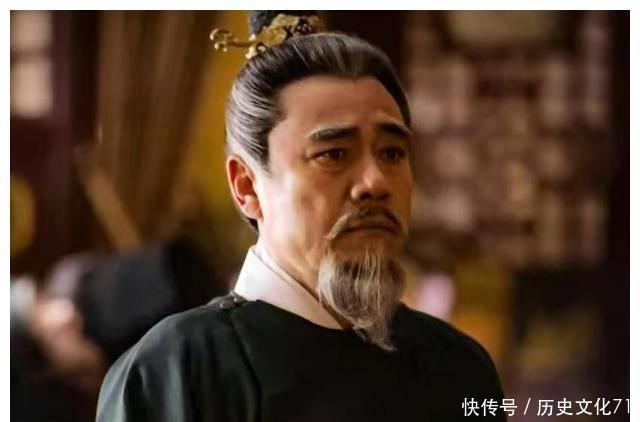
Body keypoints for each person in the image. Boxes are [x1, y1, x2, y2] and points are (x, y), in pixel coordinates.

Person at [96, 11, 506, 421]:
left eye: (392, 153)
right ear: (247, 187)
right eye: (334, 154)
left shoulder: (457, 367)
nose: (376, 182)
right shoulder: (177, 371)